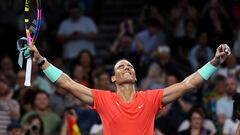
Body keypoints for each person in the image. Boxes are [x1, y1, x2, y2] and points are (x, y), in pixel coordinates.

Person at [27, 43, 229, 135]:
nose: (127, 68)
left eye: (130, 66)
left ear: (135, 75)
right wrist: (42, 62)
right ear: (113, 78)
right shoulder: (103, 99)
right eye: (121, 66)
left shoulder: (151, 98)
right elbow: (67, 83)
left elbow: (188, 84)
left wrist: (214, 62)